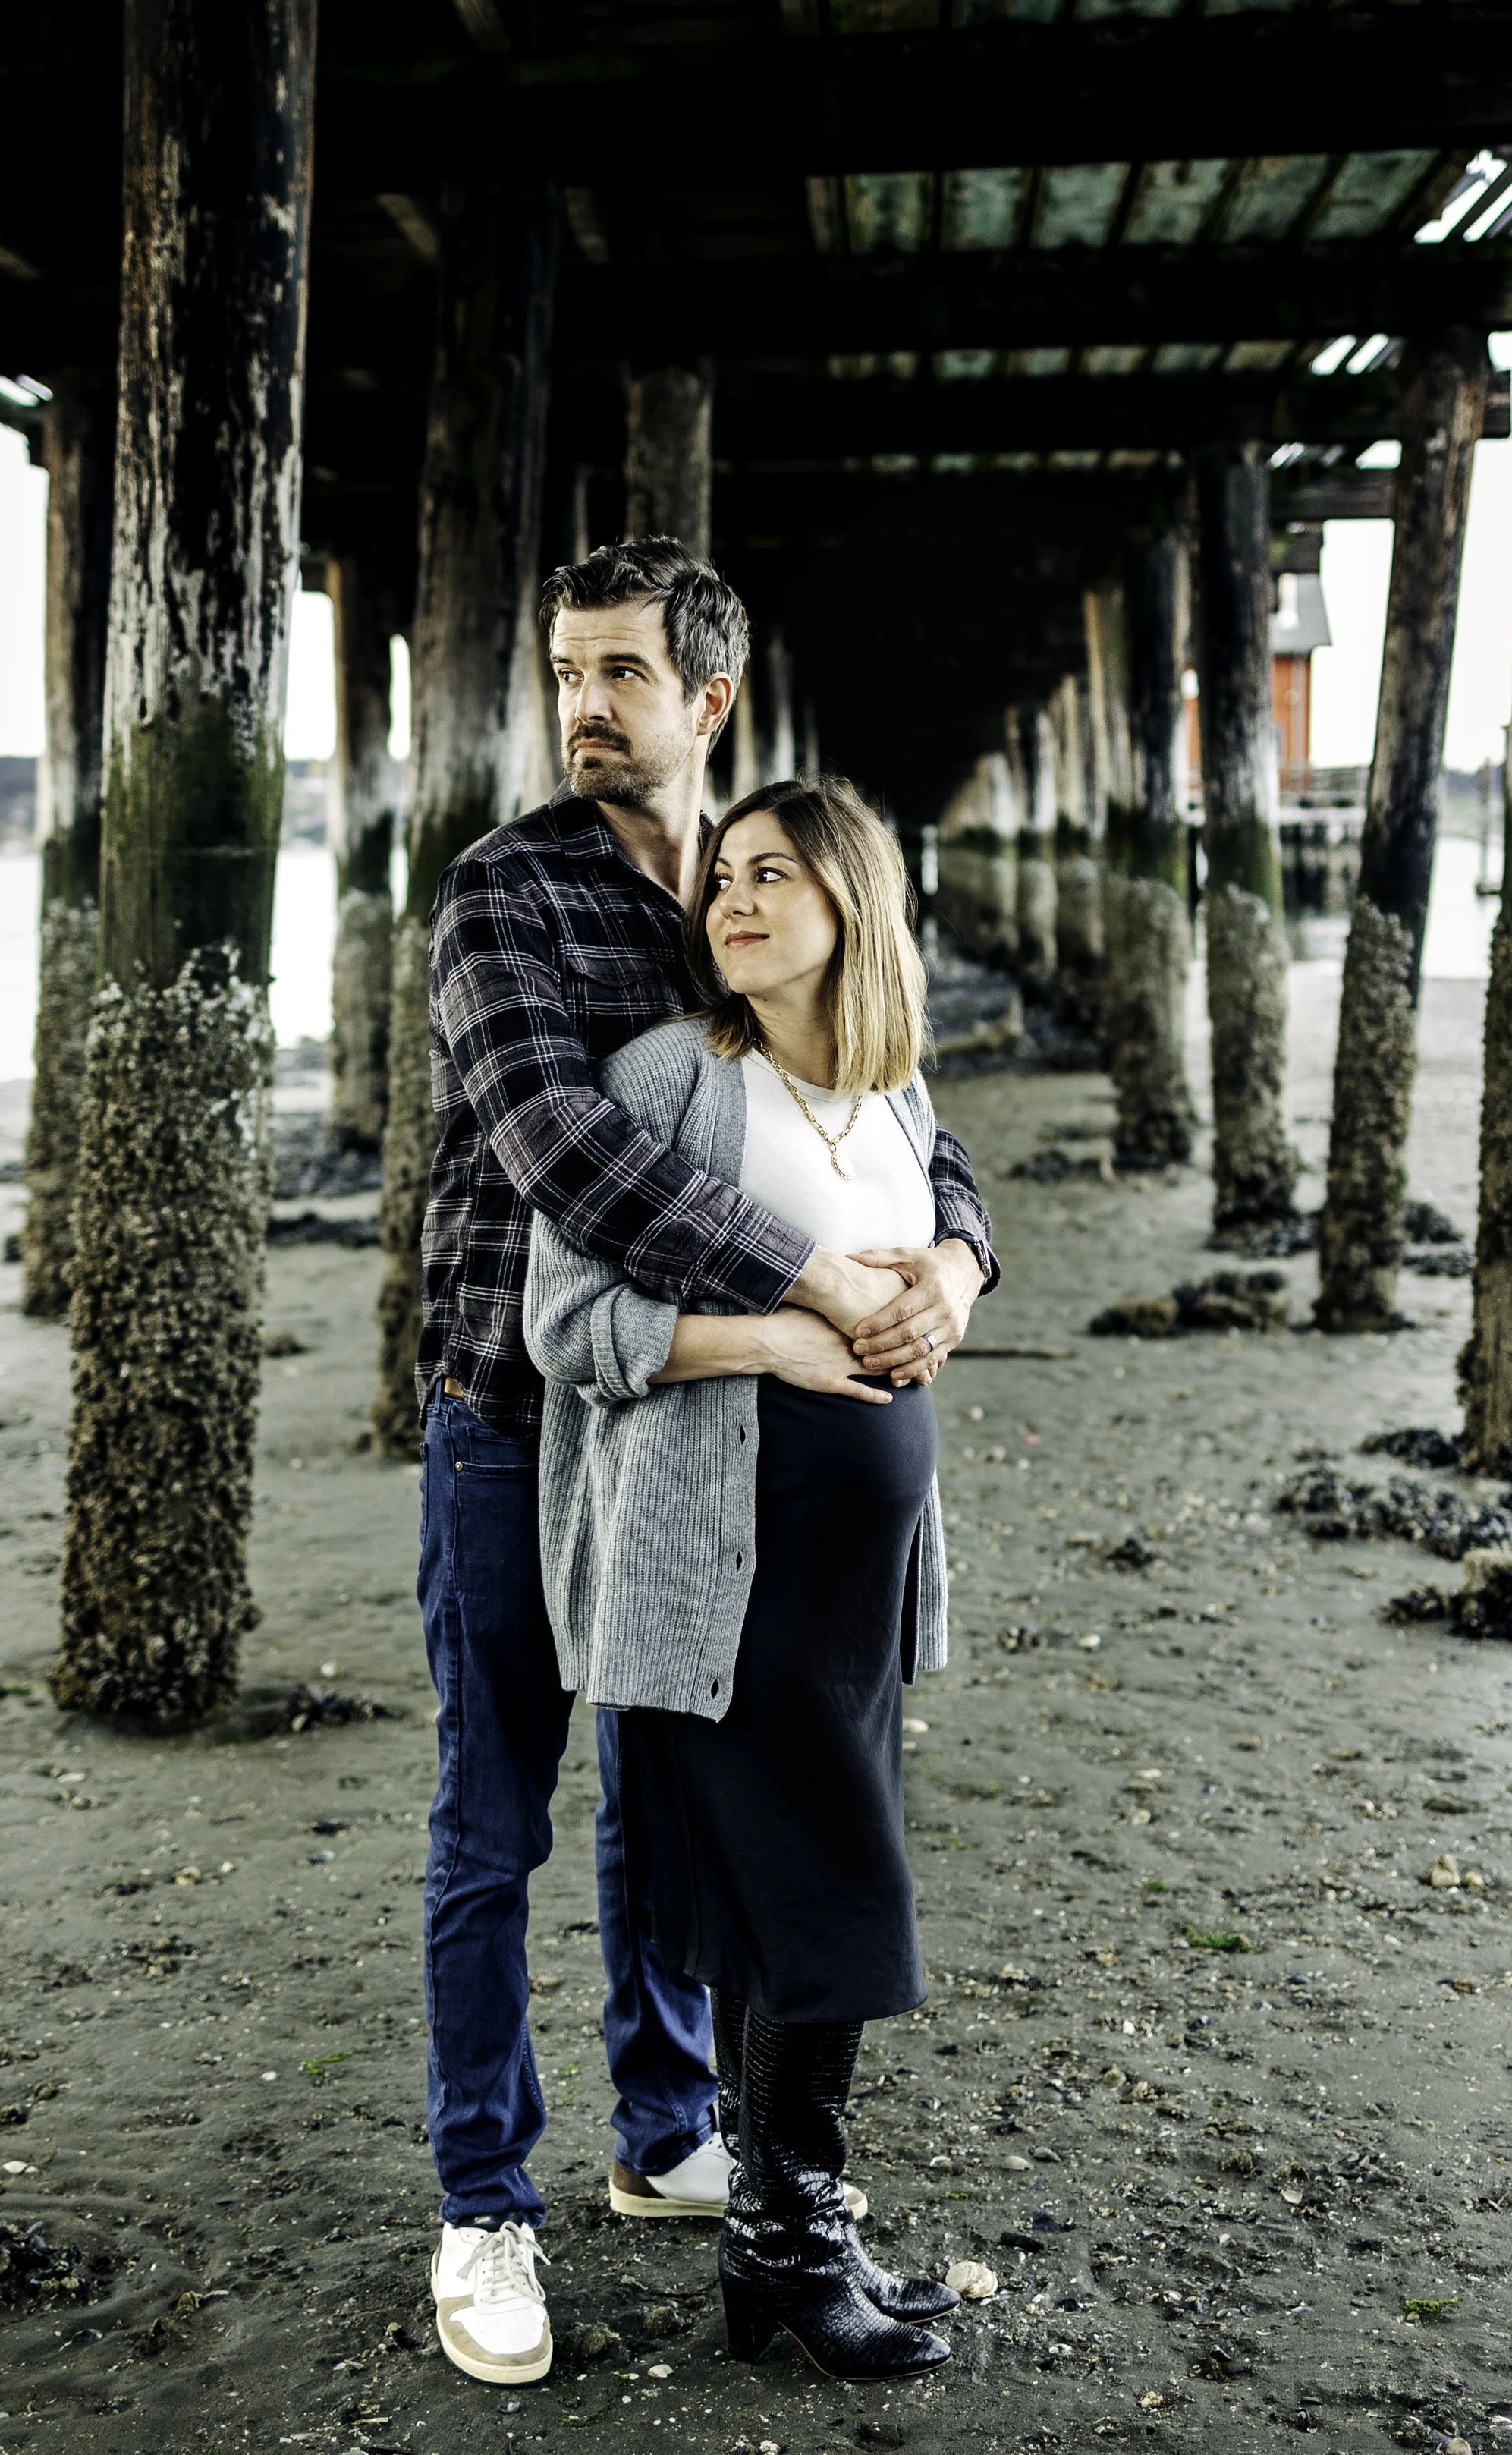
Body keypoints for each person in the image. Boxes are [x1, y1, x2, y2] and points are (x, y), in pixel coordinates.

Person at [417, 539, 997, 2386]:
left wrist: (955, 1272)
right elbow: (569, 1160)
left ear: (708, 698)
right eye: (564, 671)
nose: (585, 705)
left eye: (621, 675)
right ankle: (481, 2204)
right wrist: (816, 1294)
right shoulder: (505, 897)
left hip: (707, 1462)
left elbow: (879, 1109)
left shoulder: (741, 887)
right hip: (511, 1418)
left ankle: (669, 2129)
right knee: (493, 1814)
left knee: (664, 1804)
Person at [525, 776, 985, 2381]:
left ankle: (776, 2252)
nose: (729, 898)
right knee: (821, 1895)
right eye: (720, 874)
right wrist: (767, 1335)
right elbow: (565, 1330)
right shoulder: (665, 1080)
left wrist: (947, 1280)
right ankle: (794, 2236)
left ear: (850, 902)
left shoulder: (892, 1087)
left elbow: (944, 1230)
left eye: (771, 873)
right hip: (724, 1578)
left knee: (796, 1895)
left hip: (851, 1592)